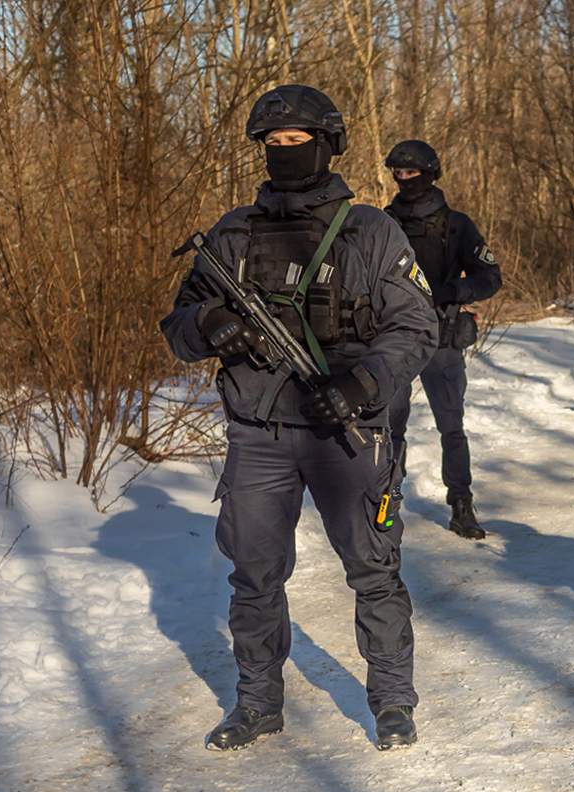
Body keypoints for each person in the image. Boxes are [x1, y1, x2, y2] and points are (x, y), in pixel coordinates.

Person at [159, 85, 439, 753]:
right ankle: (257, 703)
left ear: (329, 143)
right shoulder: (230, 235)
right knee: (254, 575)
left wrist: (363, 380)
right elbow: (176, 326)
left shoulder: (371, 231)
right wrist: (210, 321)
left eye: (298, 142)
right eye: (273, 145)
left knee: (373, 570)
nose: (286, 155)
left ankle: (393, 700)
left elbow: (416, 325)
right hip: (259, 435)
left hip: (346, 431)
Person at [383, 139, 504, 540]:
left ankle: (461, 503)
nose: (404, 180)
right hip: (394, 338)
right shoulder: (384, 224)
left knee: (451, 427)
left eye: (411, 173)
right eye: (398, 175)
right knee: (389, 428)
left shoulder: (457, 225)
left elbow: (490, 277)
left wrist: (455, 292)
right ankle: (386, 502)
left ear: (431, 174)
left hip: (443, 338)